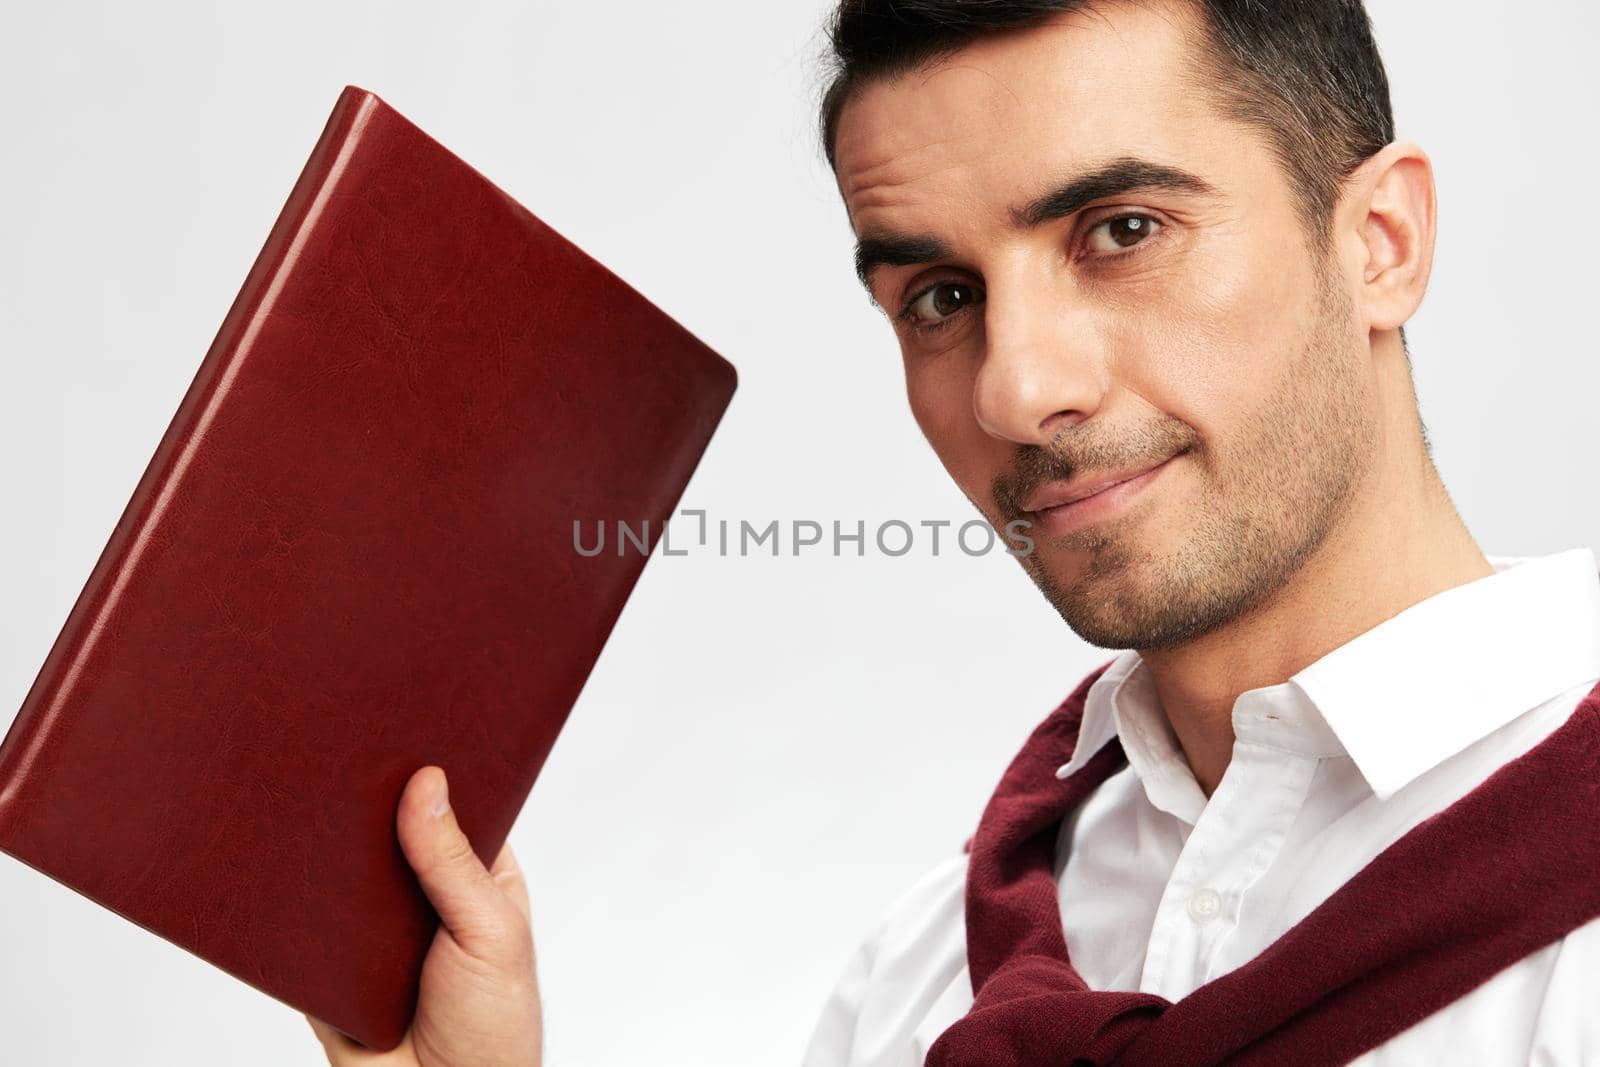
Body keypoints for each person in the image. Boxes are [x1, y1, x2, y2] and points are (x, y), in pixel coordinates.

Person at [312, 1, 1600, 1064]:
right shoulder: (924, 979)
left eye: (1123, 231)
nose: (1012, 388)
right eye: (938, 296)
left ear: (1382, 242)